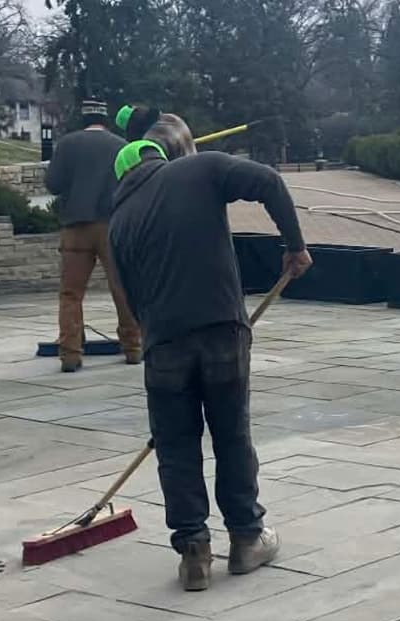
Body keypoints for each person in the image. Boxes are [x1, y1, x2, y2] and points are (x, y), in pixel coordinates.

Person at [108, 115, 312, 591]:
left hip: (163, 345)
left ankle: (194, 554)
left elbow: (131, 304)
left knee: (176, 448)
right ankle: (246, 539)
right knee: (231, 435)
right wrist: (295, 246)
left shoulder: (118, 221)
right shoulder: (200, 169)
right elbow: (269, 182)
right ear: (160, 156)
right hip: (221, 330)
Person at [45, 99, 141, 372]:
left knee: (71, 293)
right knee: (122, 288)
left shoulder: (67, 144)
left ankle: (70, 354)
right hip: (113, 225)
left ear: (83, 119)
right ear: (106, 120)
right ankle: (133, 347)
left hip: (75, 226)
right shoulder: (120, 146)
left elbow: (53, 184)